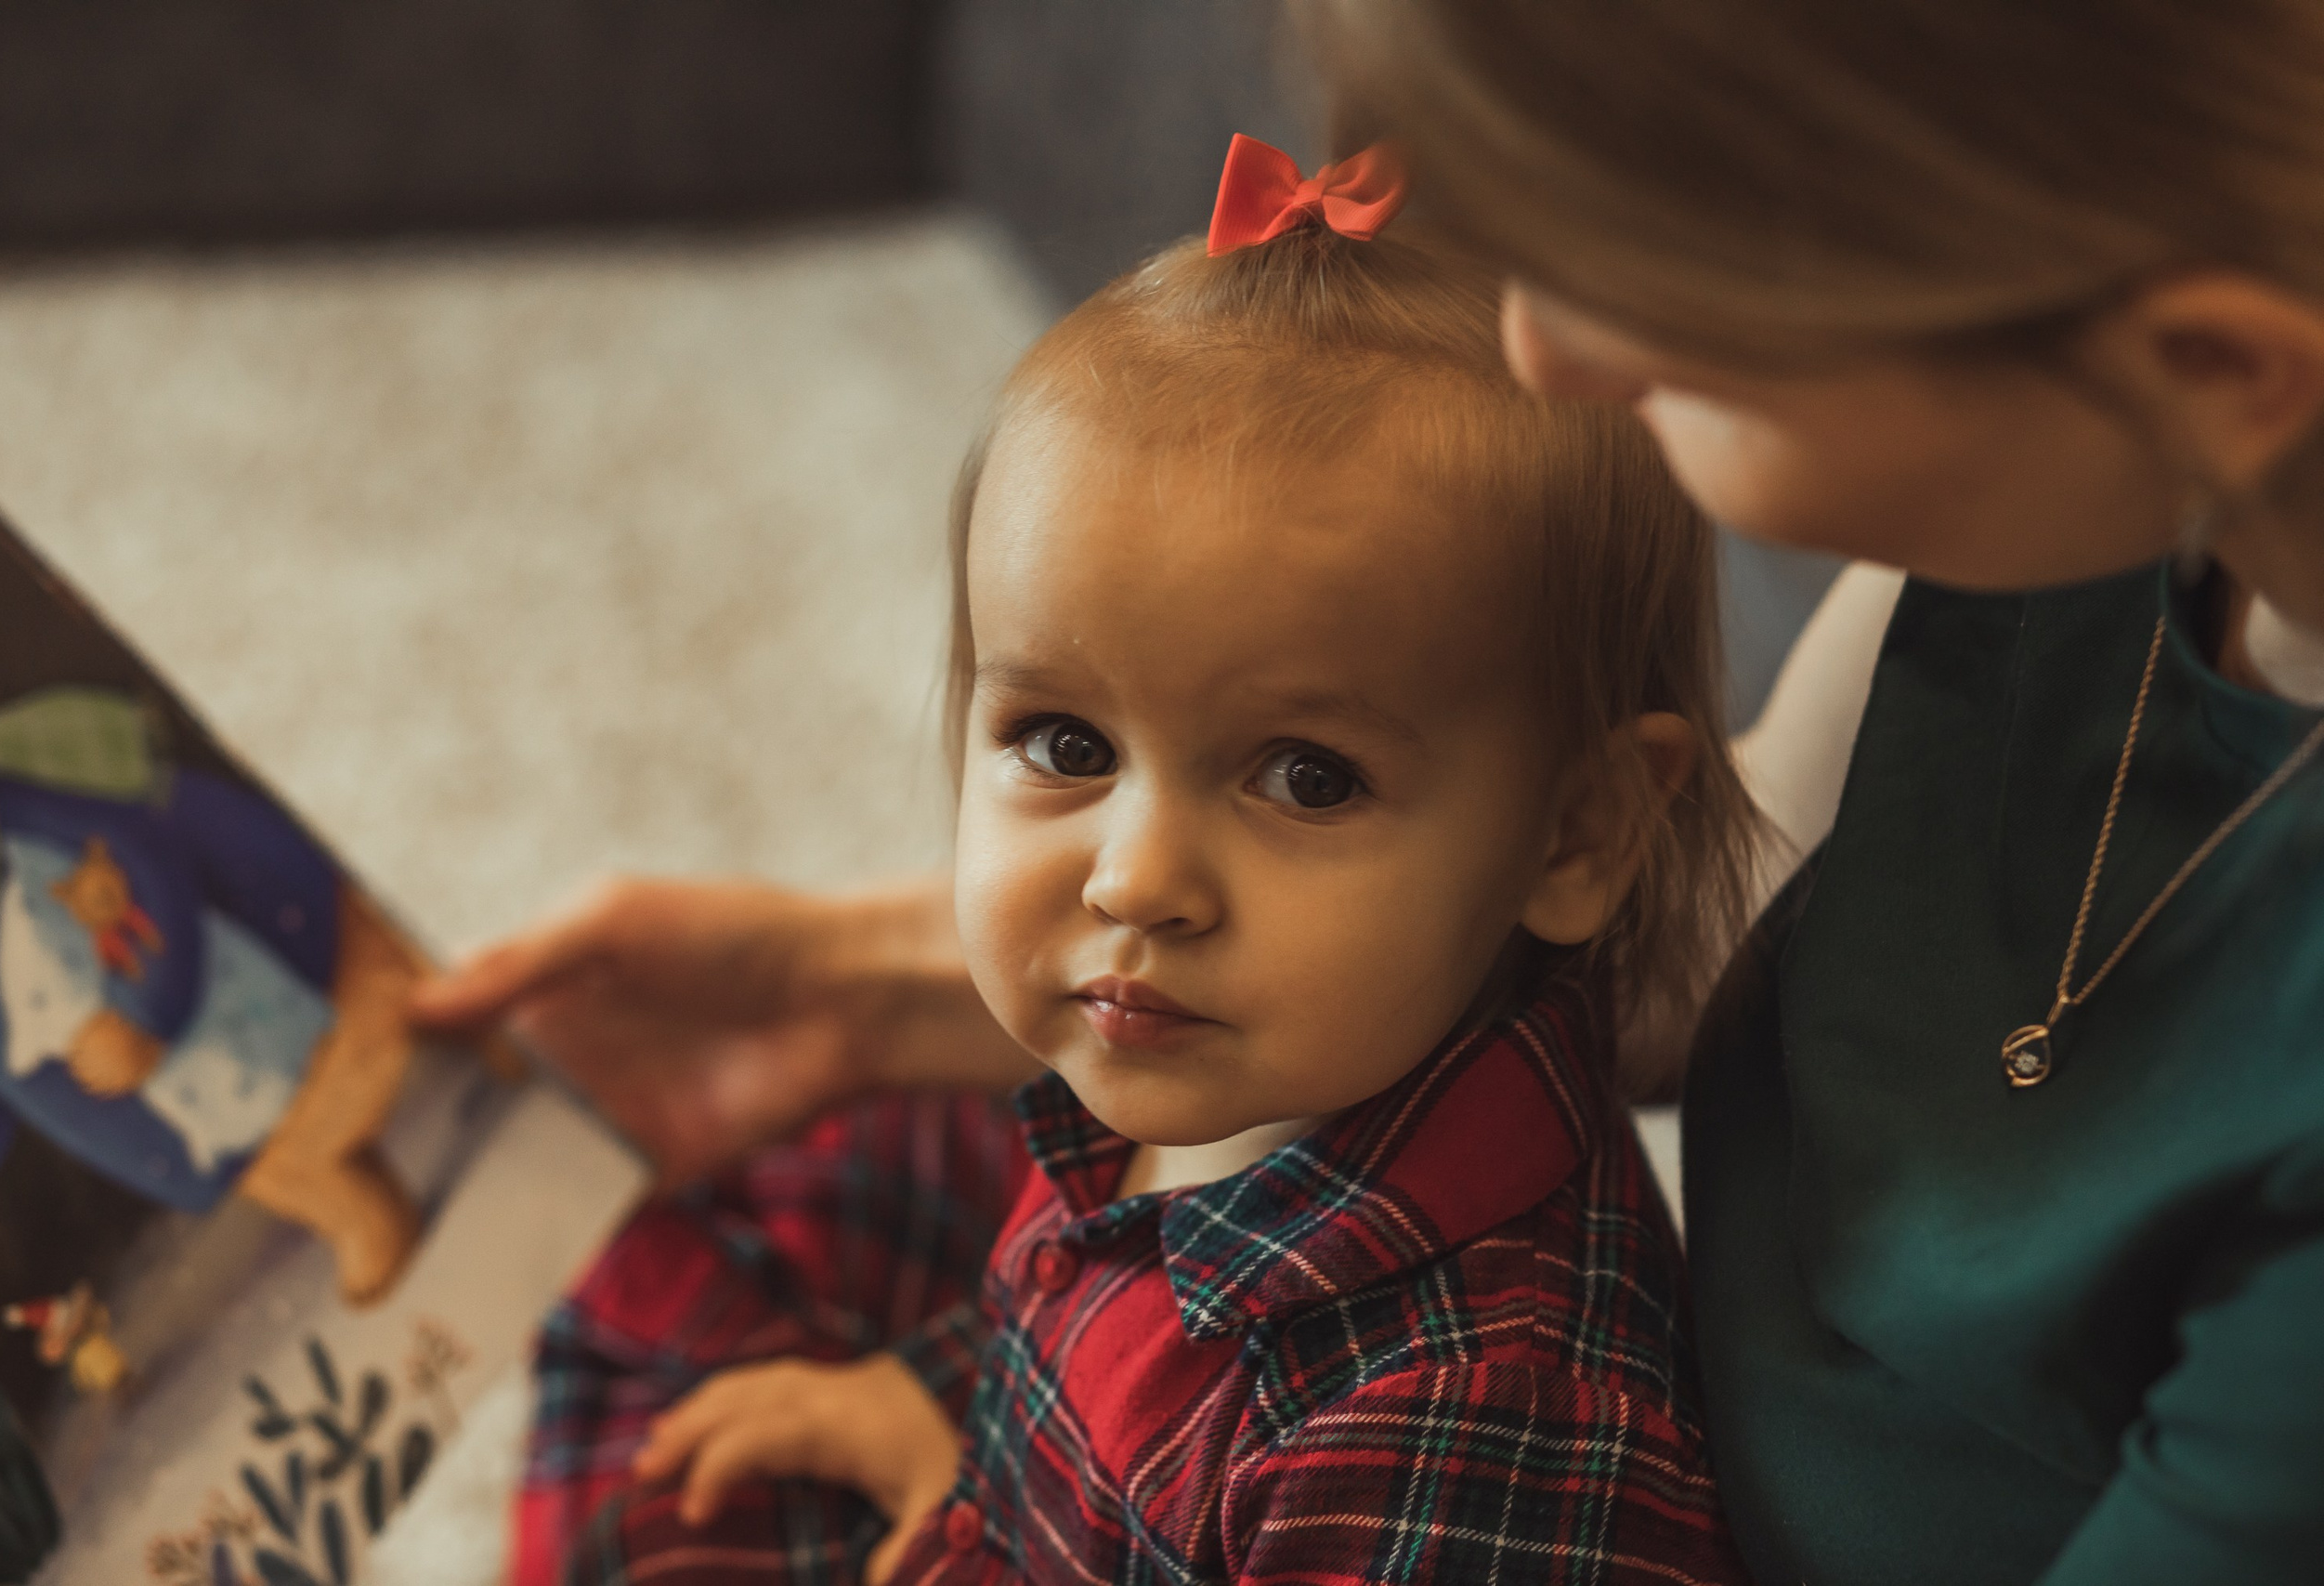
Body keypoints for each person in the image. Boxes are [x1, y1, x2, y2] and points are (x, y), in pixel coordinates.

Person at [420, 3, 2324, 1581]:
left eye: (1656, 265)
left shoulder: (1457, 1429)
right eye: (1057, 745)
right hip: (1173, 1421)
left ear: (2200, 371)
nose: (1543, 343)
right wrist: (840, 1006)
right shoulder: (2043, 518)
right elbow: (1702, 914)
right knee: (720, 1205)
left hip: (1437, 1489)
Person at [454, 138, 1764, 1586]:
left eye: (1306, 778)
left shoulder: (1470, 1429)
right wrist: (941, 1398)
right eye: (1067, 745)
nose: (1134, 882)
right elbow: (1102, 1272)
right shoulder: (1246, 1057)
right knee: (675, 1202)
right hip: (1019, 1491)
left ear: (1578, 832)